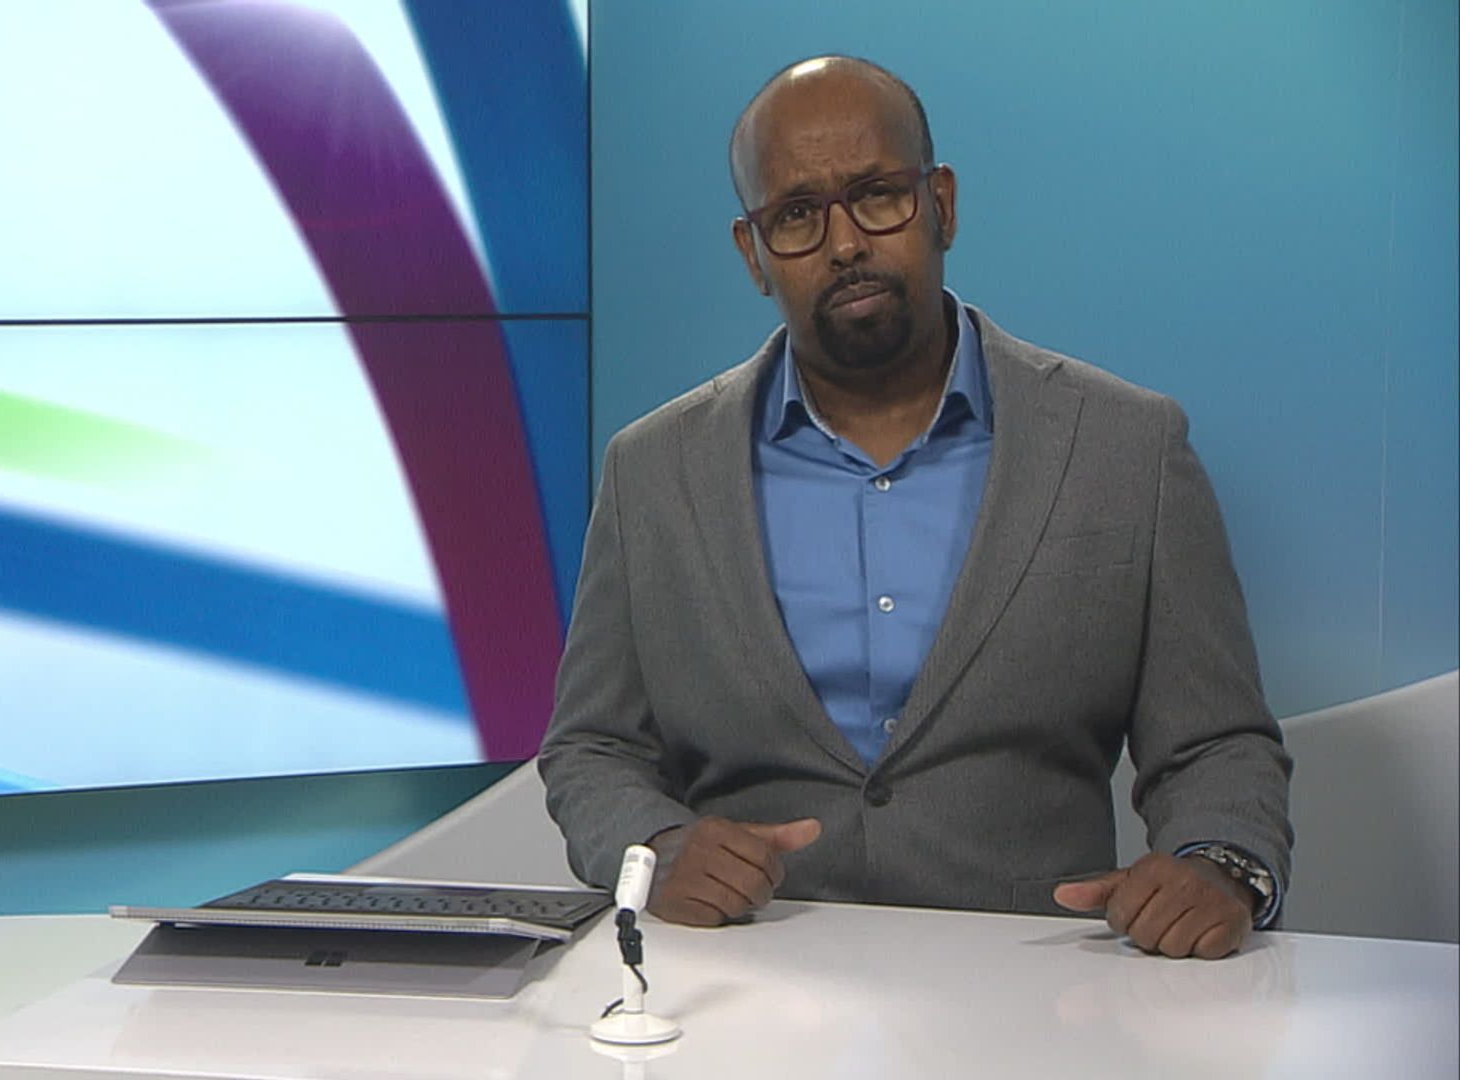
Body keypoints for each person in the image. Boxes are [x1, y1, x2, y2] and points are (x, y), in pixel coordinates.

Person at [538, 56, 1292, 960]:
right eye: (797, 215)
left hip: (1041, 992)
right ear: (752, 253)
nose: (845, 243)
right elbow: (593, 748)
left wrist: (1219, 863)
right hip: (746, 982)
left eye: (876, 196)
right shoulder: (653, 471)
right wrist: (654, 847)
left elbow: (1216, 746)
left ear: (942, 204)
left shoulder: (1127, 447)